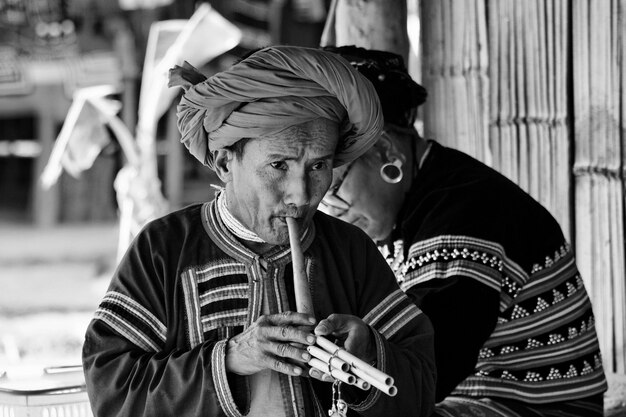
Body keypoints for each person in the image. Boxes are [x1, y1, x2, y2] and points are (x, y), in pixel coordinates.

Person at [82, 45, 436, 417]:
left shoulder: (350, 251)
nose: (301, 194)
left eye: (318, 166)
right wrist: (233, 357)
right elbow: (111, 390)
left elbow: (421, 387)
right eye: (279, 165)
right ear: (224, 162)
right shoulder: (163, 249)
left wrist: (370, 353)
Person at [320, 45, 607, 417]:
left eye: (335, 186)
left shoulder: (463, 213)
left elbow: (428, 372)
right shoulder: (416, 200)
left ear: (385, 150)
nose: (330, 207)